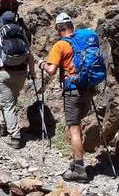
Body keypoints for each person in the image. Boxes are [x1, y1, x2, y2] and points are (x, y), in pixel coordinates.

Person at [40, 13, 94, 182]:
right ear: (72, 25)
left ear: (58, 28)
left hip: (72, 91)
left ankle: (79, 169)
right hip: (87, 87)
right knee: (79, 125)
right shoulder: (83, 41)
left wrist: (42, 64)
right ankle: (76, 159)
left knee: (74, 128)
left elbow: (51, 70)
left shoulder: (61, 45)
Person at [0, 11, 33, 149]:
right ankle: (5, 125)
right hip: (22, 74)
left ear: (2, 23)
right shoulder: (22, 35)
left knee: (8, 104)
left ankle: (15, 137)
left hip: (4, 74)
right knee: (11, 101)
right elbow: (30, 56)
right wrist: (33, 73)